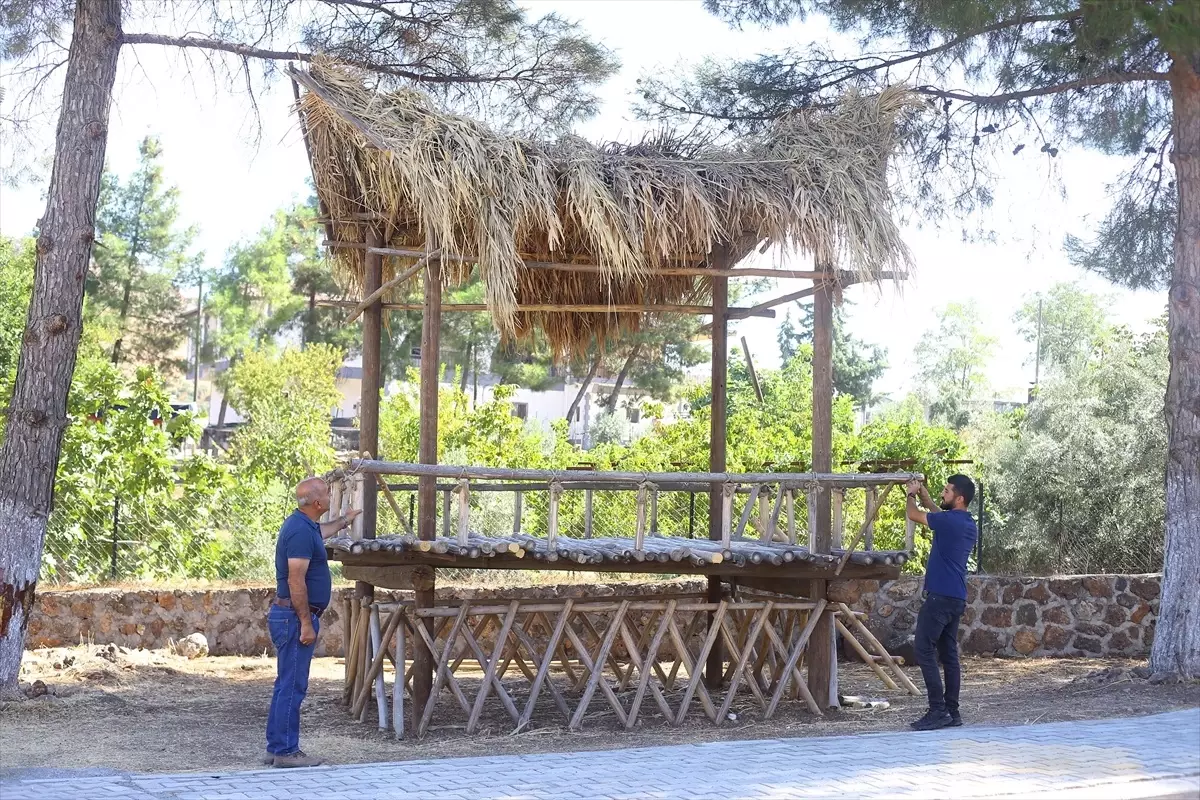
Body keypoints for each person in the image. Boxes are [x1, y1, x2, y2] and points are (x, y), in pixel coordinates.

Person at [264, 477, 359, 768]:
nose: (331, 496)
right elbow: (296, 579)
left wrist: (345, 520)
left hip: (291, 616)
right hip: (295, 618)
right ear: (317, 503)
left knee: (286, 685)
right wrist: (306, 622)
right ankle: (286, 752)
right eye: (328, 494)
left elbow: (323, 532)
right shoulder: (301, 532)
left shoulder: (304, 526)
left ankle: (277, 748)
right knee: (293, 685)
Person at [905, 474, 978, 732]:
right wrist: (925, 495)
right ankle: (952, 712)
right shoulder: (967, 523)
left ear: (959, 498)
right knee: (949, 656)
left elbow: (915, 515)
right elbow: (939, 516)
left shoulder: (949, 522)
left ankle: (937, 710)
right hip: (956, 597)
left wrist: (912, 494)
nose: (943, 493)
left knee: (924, 649)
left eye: (947, 491)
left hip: (939, 597)